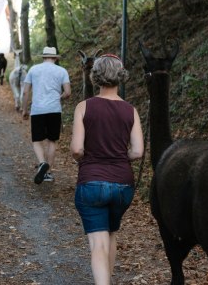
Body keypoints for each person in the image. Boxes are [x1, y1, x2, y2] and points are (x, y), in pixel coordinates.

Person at [69, 54, 144, 285]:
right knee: (111, 234)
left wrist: (88, 157)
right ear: (120, 77)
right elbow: (138, 151)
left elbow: (77, 149)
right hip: (123, 185)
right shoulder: (130, 110)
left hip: (92, 182)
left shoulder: (84, 107)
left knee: (98, 244)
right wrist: (119, 156)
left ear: (96, 77)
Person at [21, 46, 72, 184]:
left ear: (43, 57)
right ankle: (48, 173)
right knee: (52, 140)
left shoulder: (33, 69)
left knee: (37, 140)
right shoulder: (62, 71)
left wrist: (24, 110)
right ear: (55, 58)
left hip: (37, 110)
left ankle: (42, 163)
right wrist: (59, 97)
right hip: (54, 109)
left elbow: (25, 92)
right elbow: (68, 92)